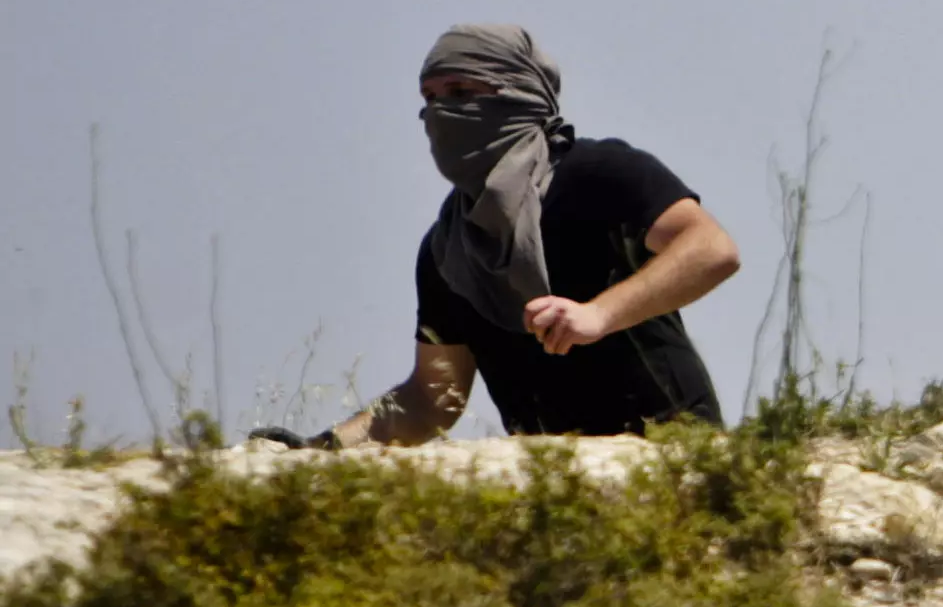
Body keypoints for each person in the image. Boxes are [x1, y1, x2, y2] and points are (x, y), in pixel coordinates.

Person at [270, 25, 739, 445]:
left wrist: (598, 315)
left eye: (460, 92)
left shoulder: (600, 174)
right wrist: (326, 446)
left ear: (519, 94)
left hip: (672, 459)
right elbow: (432, 400)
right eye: (430, 99)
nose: (440, 114)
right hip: (549, 495)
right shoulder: (447, 250)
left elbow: (711, 249)